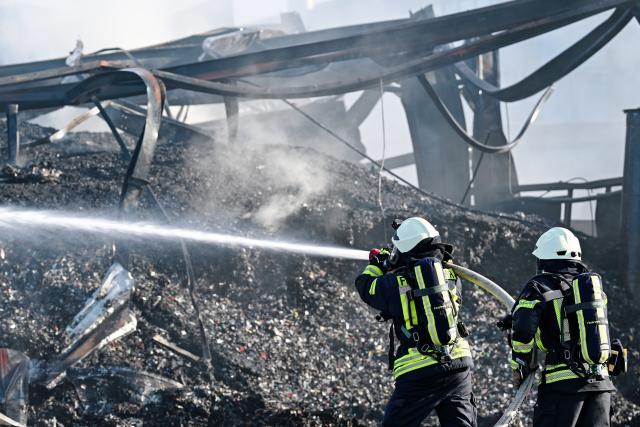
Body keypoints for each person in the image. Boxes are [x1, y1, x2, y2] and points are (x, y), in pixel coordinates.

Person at [354, 217, 476, 427]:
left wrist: (376, 266)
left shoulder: (395, 283)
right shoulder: (451, 276)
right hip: (458, 365)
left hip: (420, 371)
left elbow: (366, 287)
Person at [510, 227, 626, 426]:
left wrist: (519, 366)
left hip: (563, 389)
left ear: (544, 259)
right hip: (601, 386)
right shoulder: (591, 289)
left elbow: (522, 330)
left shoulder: (540, 286)